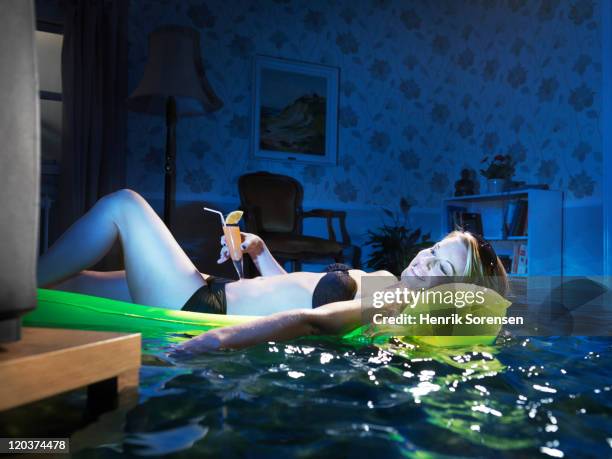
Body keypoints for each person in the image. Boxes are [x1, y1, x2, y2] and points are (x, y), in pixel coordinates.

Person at [38, 189, 508, 352]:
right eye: (433, 247)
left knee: (123, 205)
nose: (424, 256)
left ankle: (11, 284)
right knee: (70, 285)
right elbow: (297, 293)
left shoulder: (397, 305)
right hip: (210, 289)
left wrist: (217, 341)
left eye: (441, 263)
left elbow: (310, 318)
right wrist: (261, 254)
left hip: (199, 307)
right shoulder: (388, 281)